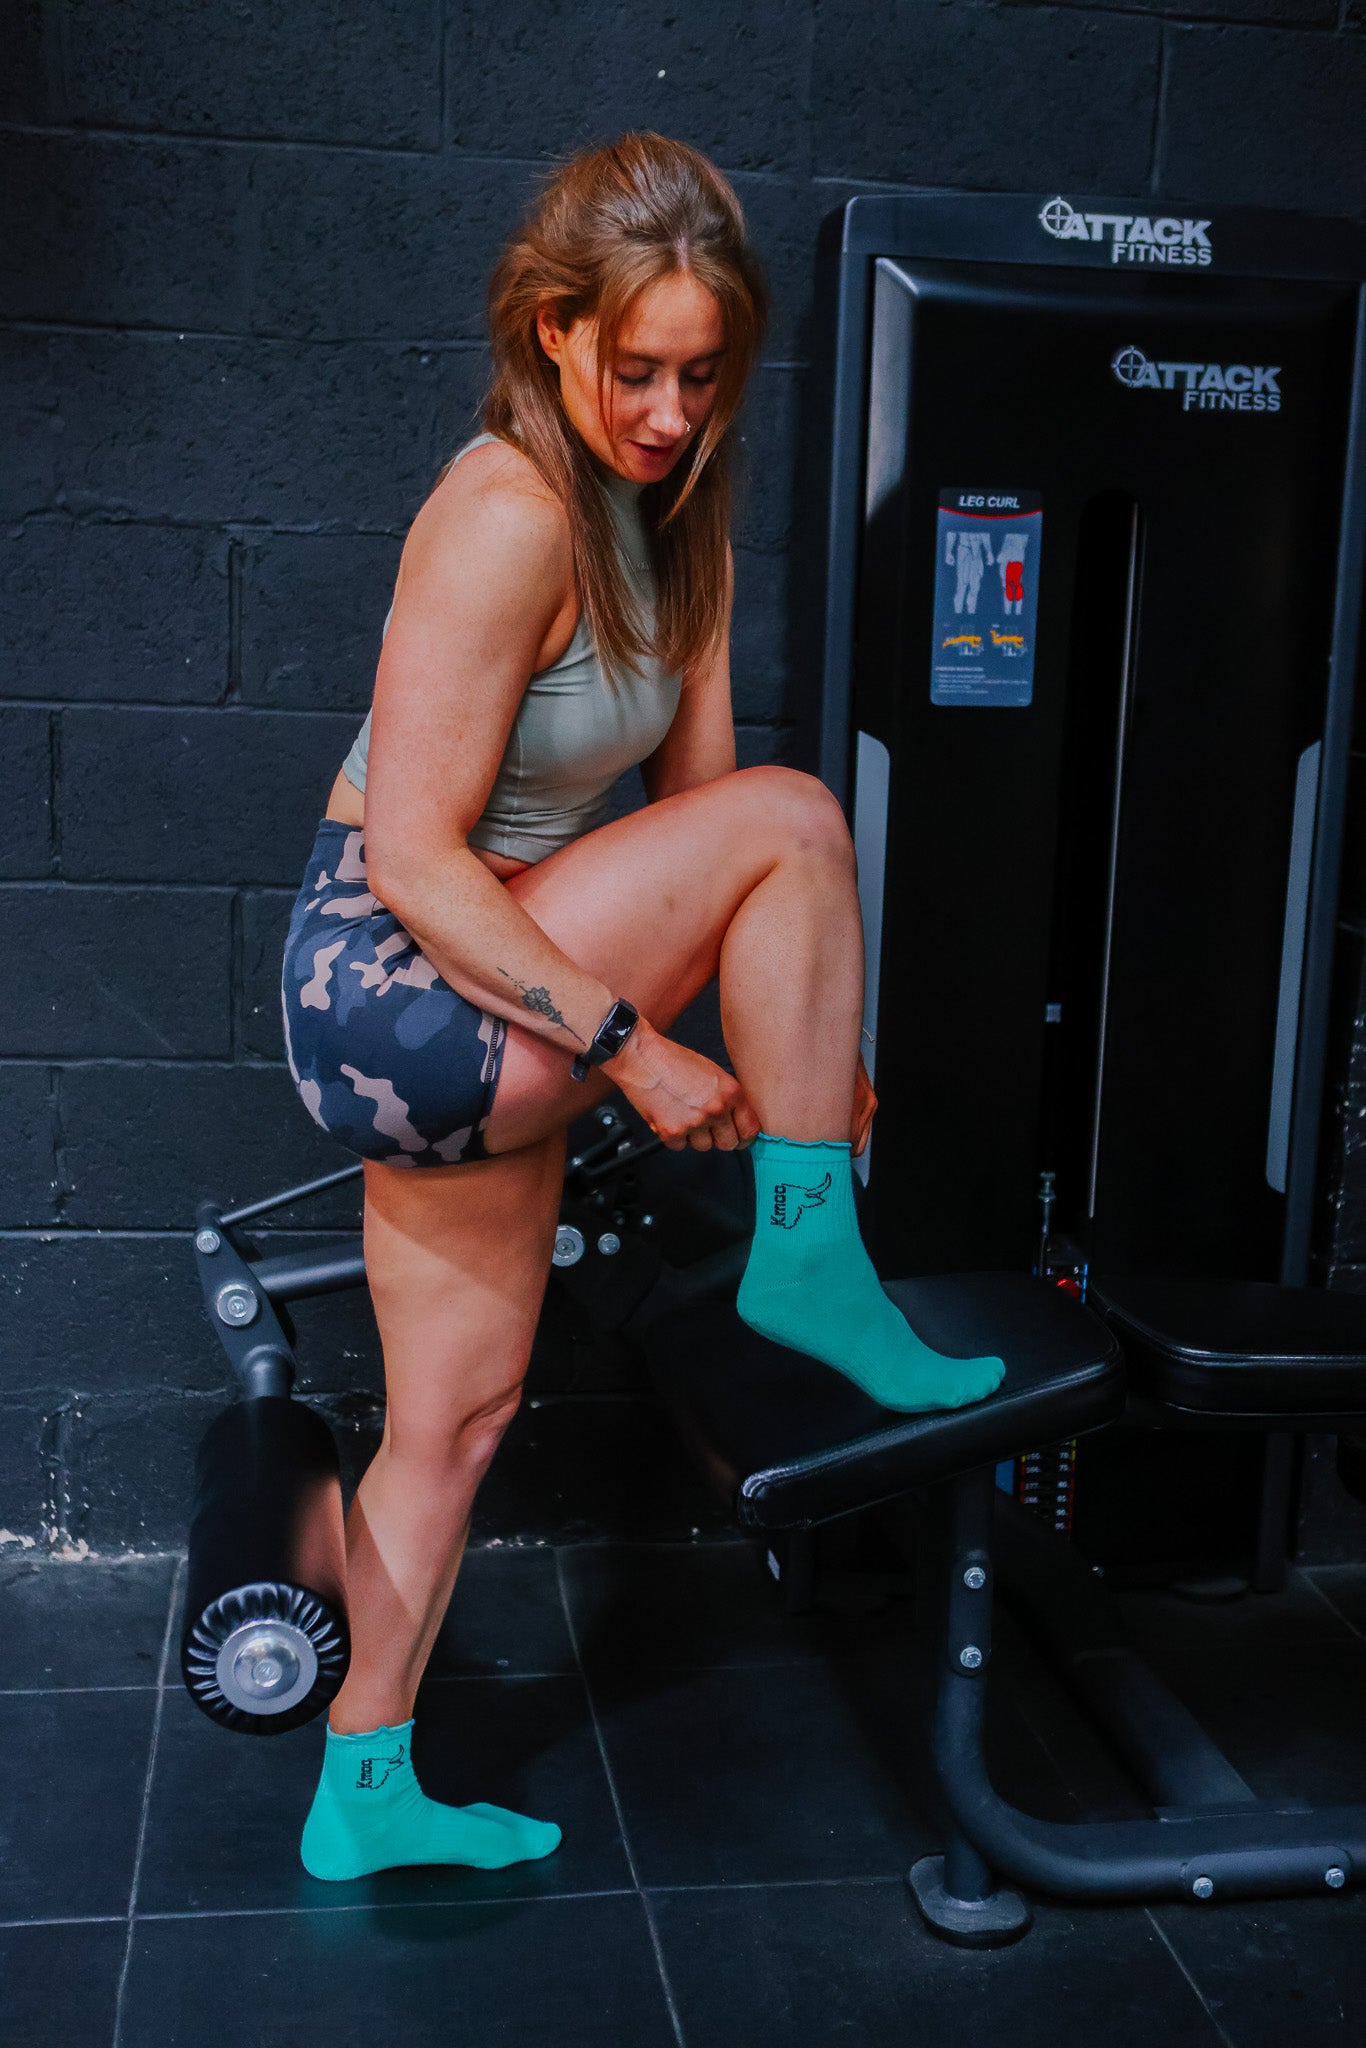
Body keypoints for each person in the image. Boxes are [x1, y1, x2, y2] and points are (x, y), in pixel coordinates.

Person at [281, 132, 1004, 1885]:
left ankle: (360, 1784)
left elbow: (700, 818)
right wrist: (636, 1050)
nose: (670, 412)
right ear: (552, 332)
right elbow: (418, 860)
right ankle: (810, 1257)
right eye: (635, 370)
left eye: (702, 373)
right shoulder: (505, 514)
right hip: (393, 978)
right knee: (805, 817)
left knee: (455, 1418)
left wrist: (801, 1052)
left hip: (496, 980)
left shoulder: (678, 521)